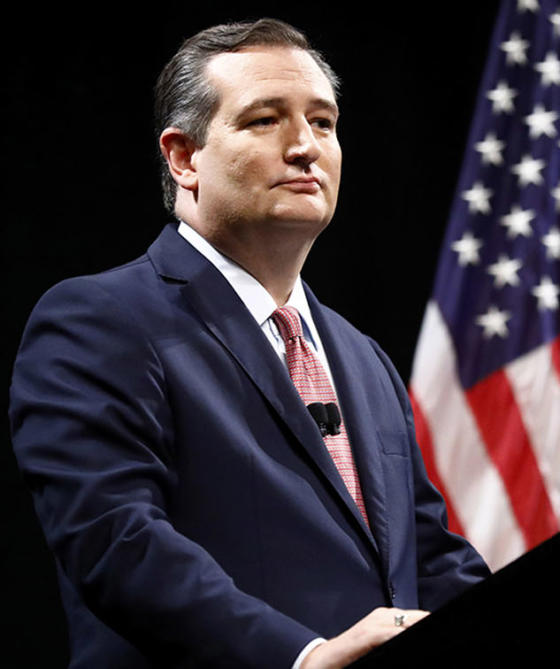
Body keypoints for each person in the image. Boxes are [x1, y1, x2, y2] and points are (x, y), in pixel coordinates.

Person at [10, 19, 488, 668]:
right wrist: (302, 657)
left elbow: (428, 560)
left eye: (323, 122)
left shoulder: (362, 357)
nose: (305, 147)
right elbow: (116, 540)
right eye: (266, 119)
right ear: (184, 157)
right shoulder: (99, 321)